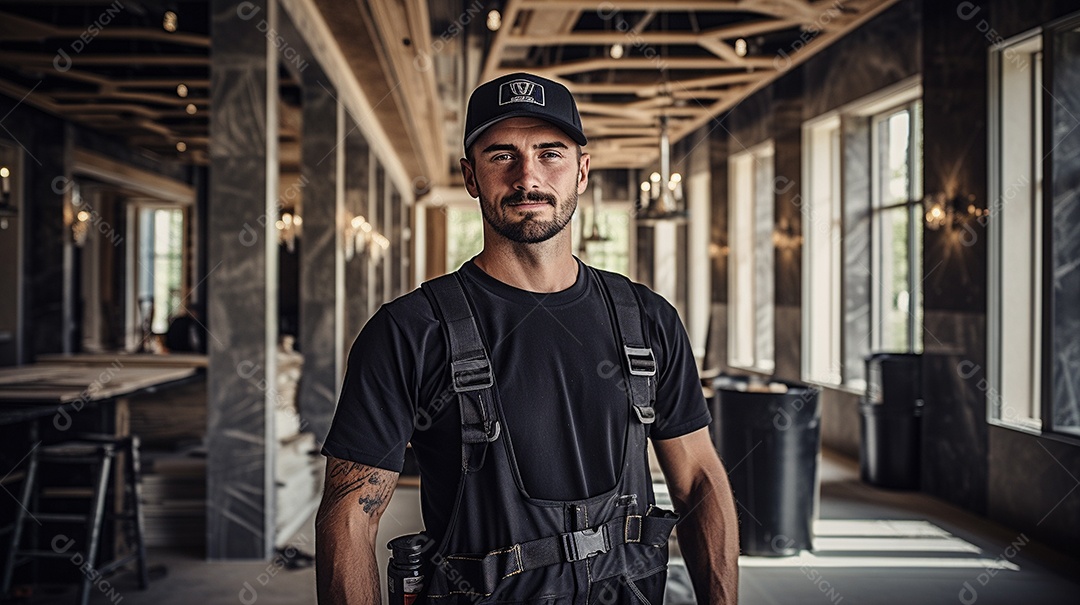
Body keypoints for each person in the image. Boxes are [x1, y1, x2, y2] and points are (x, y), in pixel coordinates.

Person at [316, 72, 739, 604]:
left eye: (550, 153)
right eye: (501, 155)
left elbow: (699, 477)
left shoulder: (646, 319)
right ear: (471, 176)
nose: (527, 177)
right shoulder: (409, 331)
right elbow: (349, 514)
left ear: (582, 171)